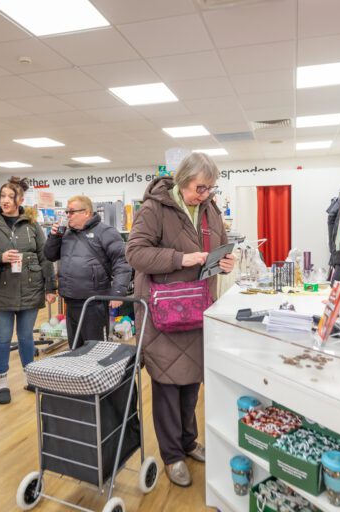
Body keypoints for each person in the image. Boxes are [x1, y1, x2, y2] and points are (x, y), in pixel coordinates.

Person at [126, 152, 235, 487]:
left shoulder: (210, 209)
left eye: (211, 188)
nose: (206, 194)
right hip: (164, 312)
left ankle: (188, 442)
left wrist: (225, 263)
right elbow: (135, 253)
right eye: (200, 188)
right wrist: (180, 258)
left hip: (198, 307)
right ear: (183, 180)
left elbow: (218, 249)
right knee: (167, 385)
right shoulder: (154, 208)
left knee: (191, 383)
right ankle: (172, 455)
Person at [0, 177, 56, 404]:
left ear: (20, 199)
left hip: (30, 288)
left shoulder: (32, 224)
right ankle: (2, 384)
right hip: (0, 290)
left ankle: (30, 378)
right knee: (3, 337)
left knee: (26, 337)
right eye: (2, 196)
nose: (5, 200)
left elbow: (45, 256)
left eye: (10, 196)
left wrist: (50, 286)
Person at [43, 195, 131, 348]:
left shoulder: (105, 232)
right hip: (70, 300)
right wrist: (54, 237)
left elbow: (122, 262)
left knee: (95, 348)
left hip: (94, 301)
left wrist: (118, 292)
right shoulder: (66, 233)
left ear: (86, 212)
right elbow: (50, 255)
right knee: (75, 347)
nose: (68, 215)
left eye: (72, 212)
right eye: (67, 212)